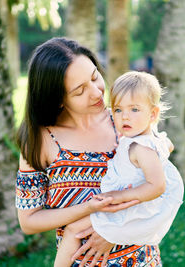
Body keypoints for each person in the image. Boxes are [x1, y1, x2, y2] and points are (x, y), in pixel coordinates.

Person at [15, 38, 166, 267]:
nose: (97, 92)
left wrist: (112, 231)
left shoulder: (126, 123)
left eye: (95, 76)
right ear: (57, 100)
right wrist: (88, 209)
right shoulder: (38, 142)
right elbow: (29, 221)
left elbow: (160, 190)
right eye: (79, 91)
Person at [53, 71, 184, 267]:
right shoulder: (144, 139)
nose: (125, 117)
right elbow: (167, 145)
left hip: (127, 209)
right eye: (118, 110)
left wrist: (116, 197)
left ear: (153, 114)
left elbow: (157, 186)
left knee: (72, 230)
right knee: (74, 229)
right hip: (128, 205)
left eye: (134, 110)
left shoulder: (141, 148)